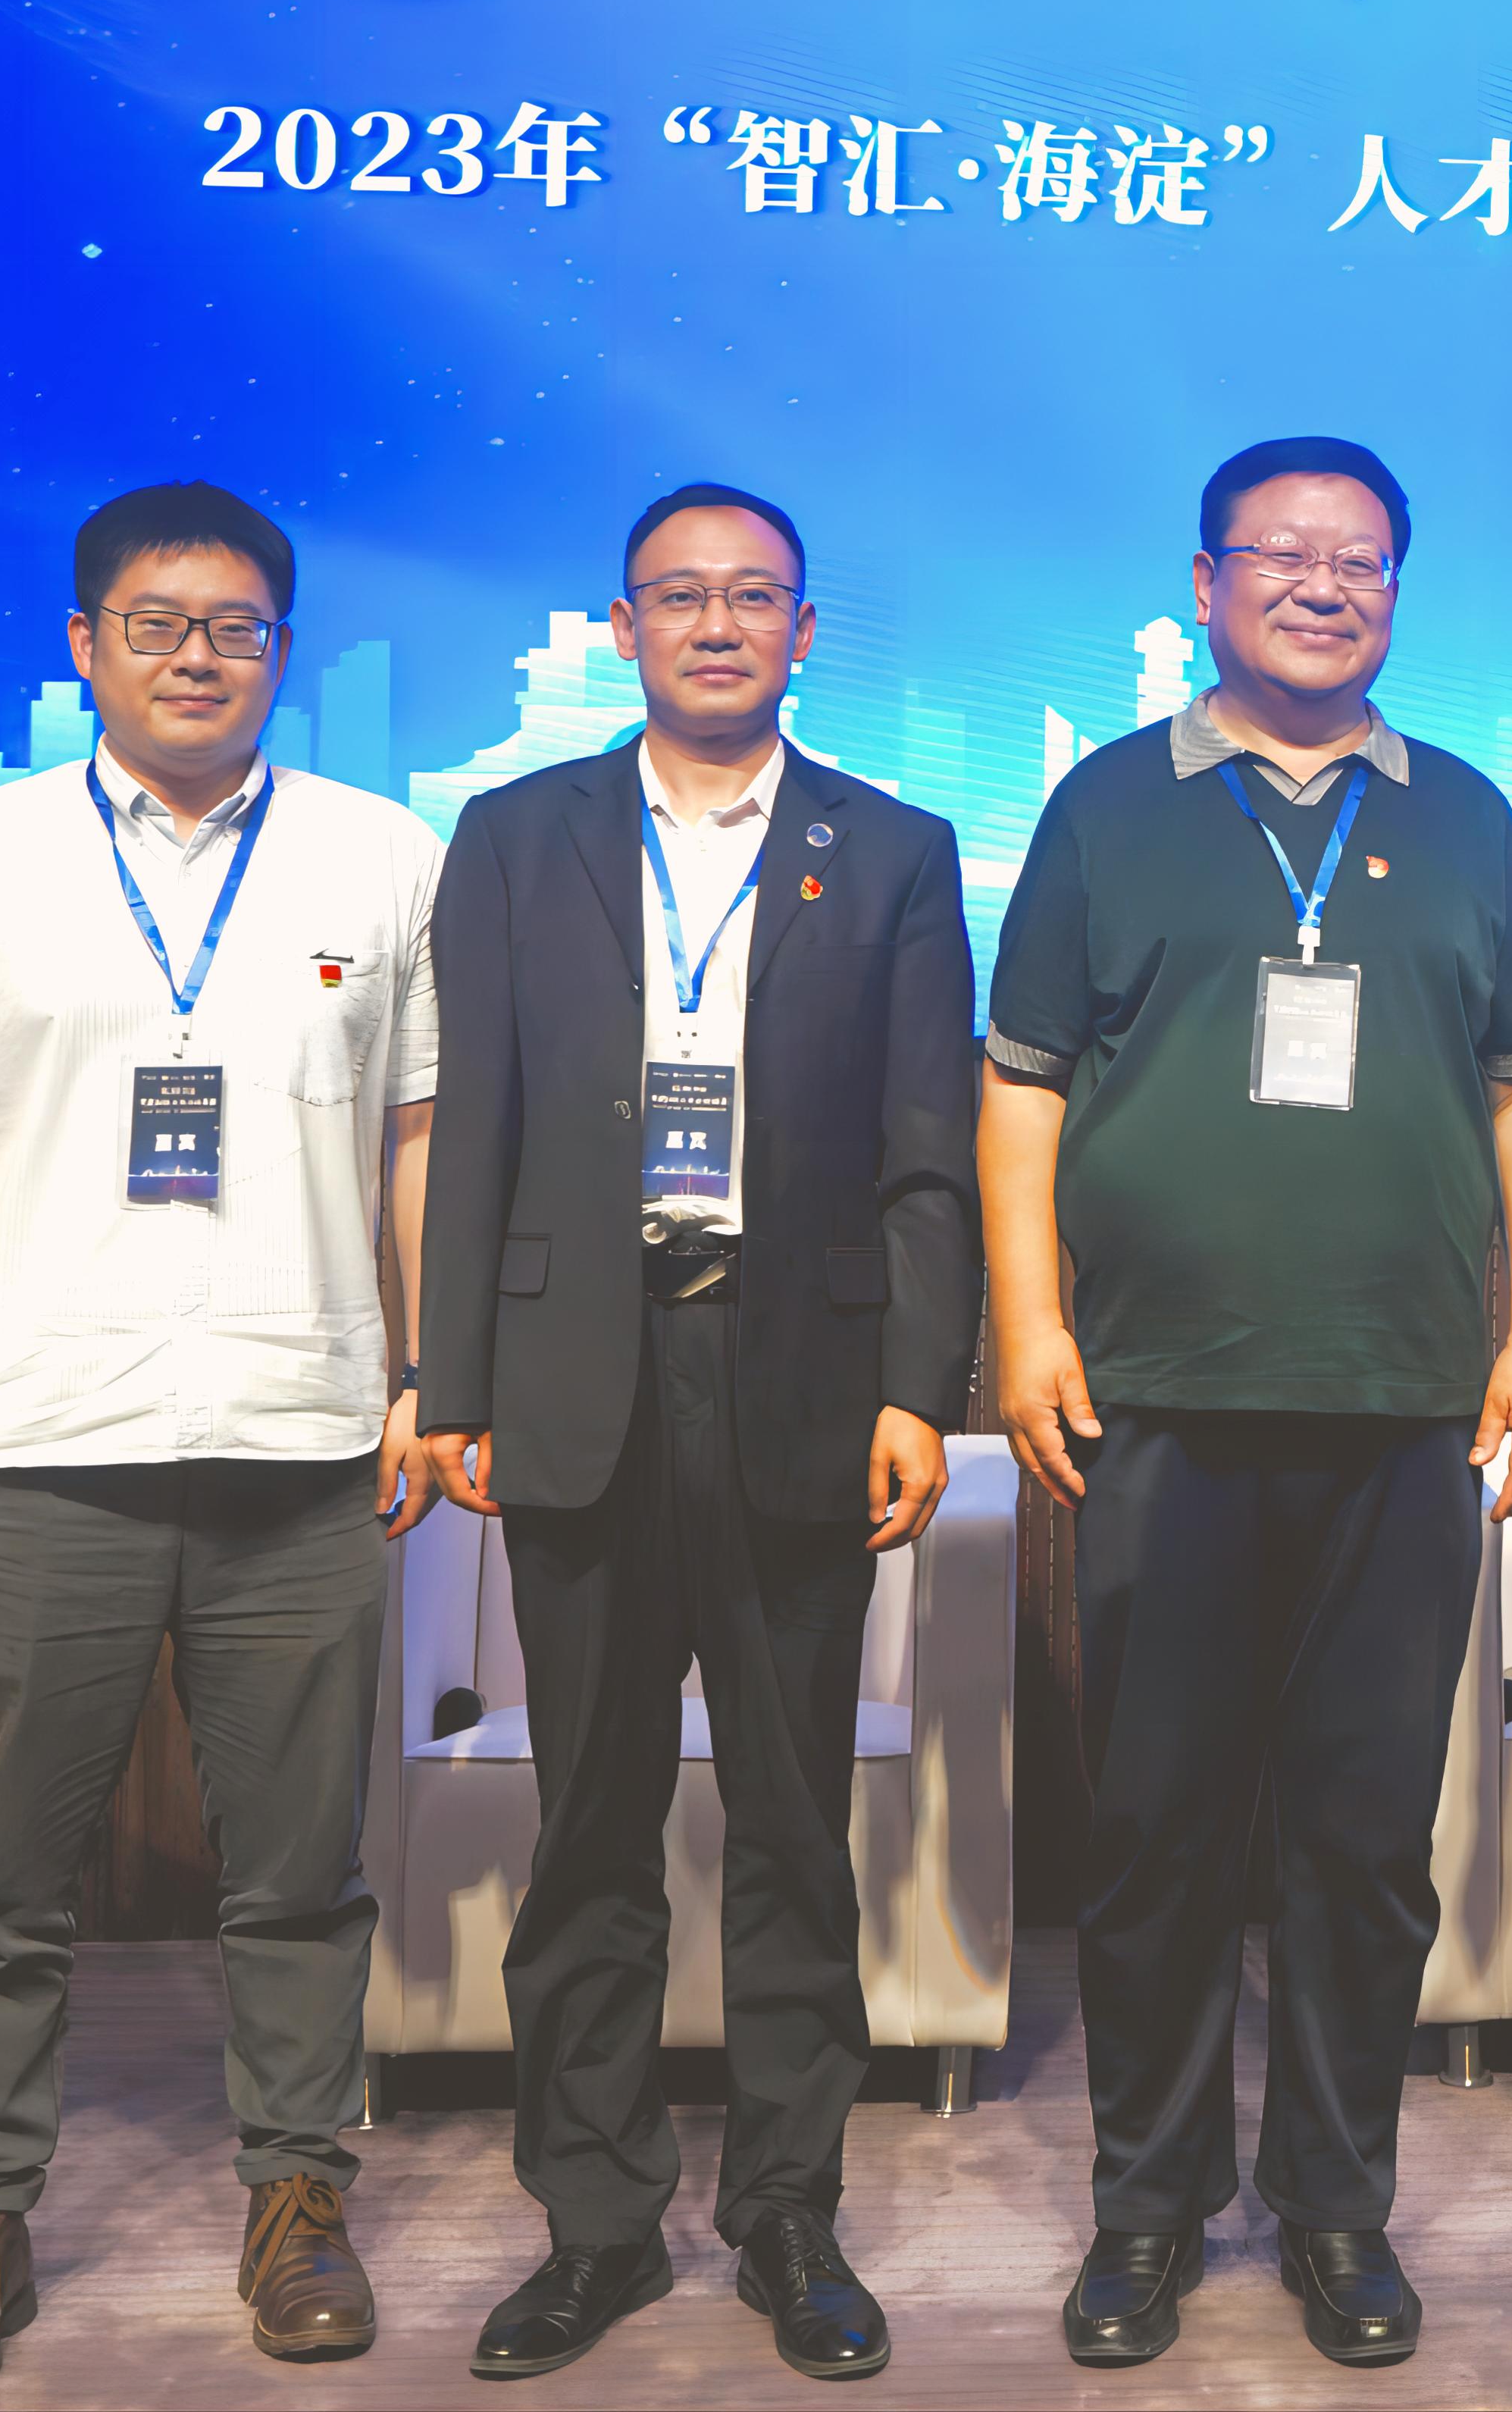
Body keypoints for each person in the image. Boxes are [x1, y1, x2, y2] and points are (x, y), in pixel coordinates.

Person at [982, 436, 1512, 2372]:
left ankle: (1335, 2205)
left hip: (1403, 1404)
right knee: (1157, 1830)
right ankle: (1145, 2208)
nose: (1325, 585)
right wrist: (1029, 1324)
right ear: (1205, 581)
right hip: (1156, 1398)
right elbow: (1021, 1082)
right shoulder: (1105, 805)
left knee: (1361, 1835)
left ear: (1394, 590)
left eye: (1362, 560)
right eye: (1284, 553)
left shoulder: (1465, 814)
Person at [0, 482, 445, 2401]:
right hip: (44, 1438)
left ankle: (298, 2196)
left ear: (281, 648)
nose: (200, 656)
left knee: (300, 1870)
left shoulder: (382, 857)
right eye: (157, 623)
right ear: (83, 645)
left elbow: (419, 1136)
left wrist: (422, 1373)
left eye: (238, 626)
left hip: (303, 1437)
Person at [417, 481, 978, 2383]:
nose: (717, 625)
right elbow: (474, 1124)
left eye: (753, 597)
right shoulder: (516, 835)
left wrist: (918, 1386)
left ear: (803, 631)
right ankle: (594, 2223)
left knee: (794, 1825)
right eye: (680, 596)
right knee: (586, 1822)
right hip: (576, 1372)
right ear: (623, 625)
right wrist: (456, 1382)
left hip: (798, 1376)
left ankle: (788, 2211)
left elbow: (926, 1149)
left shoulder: (887, 849)